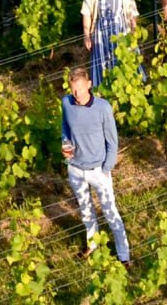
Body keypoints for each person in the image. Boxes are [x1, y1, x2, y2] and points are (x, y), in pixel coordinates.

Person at [61, 65, 131, 265]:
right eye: (73, 89)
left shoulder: (103, 108)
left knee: (110, 212)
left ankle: (124, 255)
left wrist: (106, 169)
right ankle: (92, 244)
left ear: (89, 85)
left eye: (80, 89)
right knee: (86, 210)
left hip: (98, 170)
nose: (77, 94)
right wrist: (65, 144)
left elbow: (112, 141)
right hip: (76, 169)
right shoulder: (66, 103)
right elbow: (65, 126)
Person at [81, 0, 139, 88]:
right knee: (102, 63)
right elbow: (86, 13)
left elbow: (132, 11)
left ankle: (127, 88)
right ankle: (104, 90)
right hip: (100, 32)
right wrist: (86, 35)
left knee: (124, 58)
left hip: (122, 29)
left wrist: (134, 30)